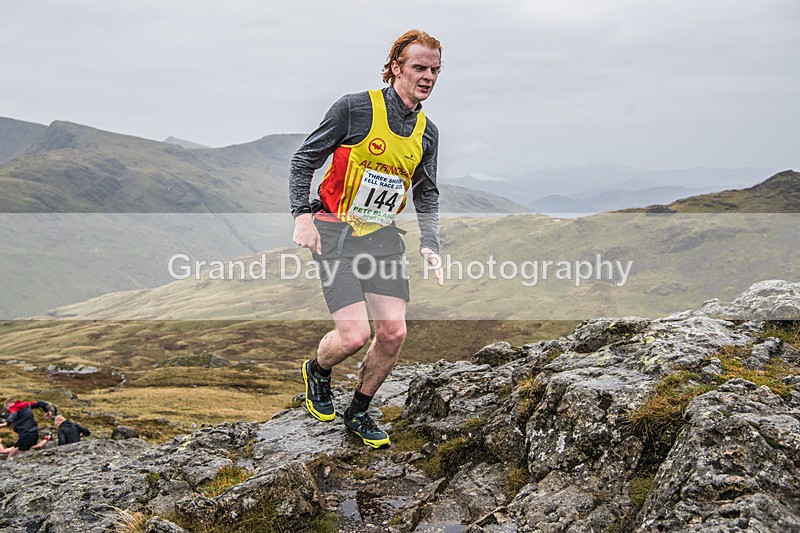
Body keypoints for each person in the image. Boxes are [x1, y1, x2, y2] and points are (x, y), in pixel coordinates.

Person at [290, 29, 445, 448]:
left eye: (435, 69)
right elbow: (304, 159)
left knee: (393, 332)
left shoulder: (426, 132)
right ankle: (317, 371)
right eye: (419, 67)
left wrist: (430, 242)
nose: (428, 76)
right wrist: (302, 215)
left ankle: (358, 411)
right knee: (354, 336)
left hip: (381, 238)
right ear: (395, 67)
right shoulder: (355, 109)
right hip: (334, 233)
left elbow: (425, 190)